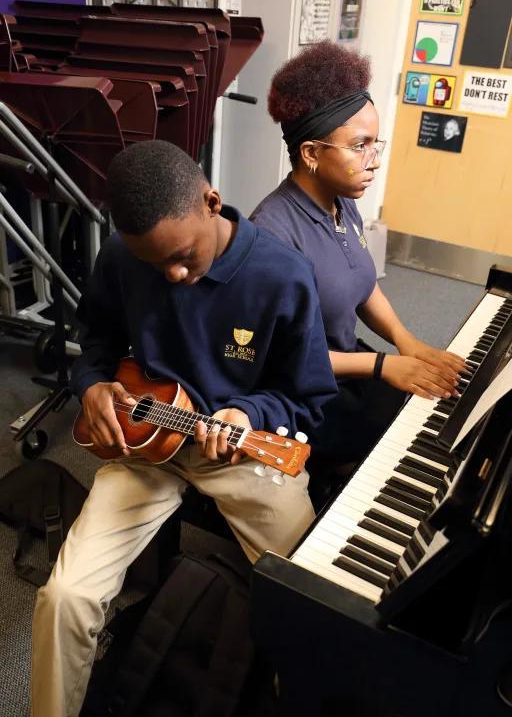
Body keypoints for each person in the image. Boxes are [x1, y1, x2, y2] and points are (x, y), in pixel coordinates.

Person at [30, 140, 337, 717]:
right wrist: (92, 384)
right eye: (155, 265)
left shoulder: (283, 276)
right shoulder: (122, 257)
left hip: (244, 455)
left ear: (212, 202)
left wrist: (252, 414)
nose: (174, 275)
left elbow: (310, 398)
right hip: (145, 446)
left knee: (315, 604)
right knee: (65, 597)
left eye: (184, 256)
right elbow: (95, 343)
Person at [250, 41, 466, 478]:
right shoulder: (272, 233)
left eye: (375, 143)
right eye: (360, 146)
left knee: (427, 407)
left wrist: (408, 342)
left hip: (345, 362)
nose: (375, 161)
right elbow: (281, 357)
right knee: (401, 446)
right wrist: (386, 364)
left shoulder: (341, 198)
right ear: (311, 153)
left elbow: (362, 284)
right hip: (298, 391)